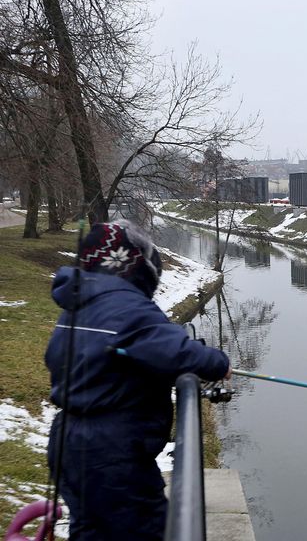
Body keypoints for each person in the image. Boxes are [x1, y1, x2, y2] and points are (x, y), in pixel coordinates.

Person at [45, 220, 230, 540]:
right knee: (145, 528)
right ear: (136, 267)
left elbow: (62, 357)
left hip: (69, 440)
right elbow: (174, 351)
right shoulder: (127, 307)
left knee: (92, 529)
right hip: (111, 453)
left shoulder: (80, 305)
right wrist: (218, 363)